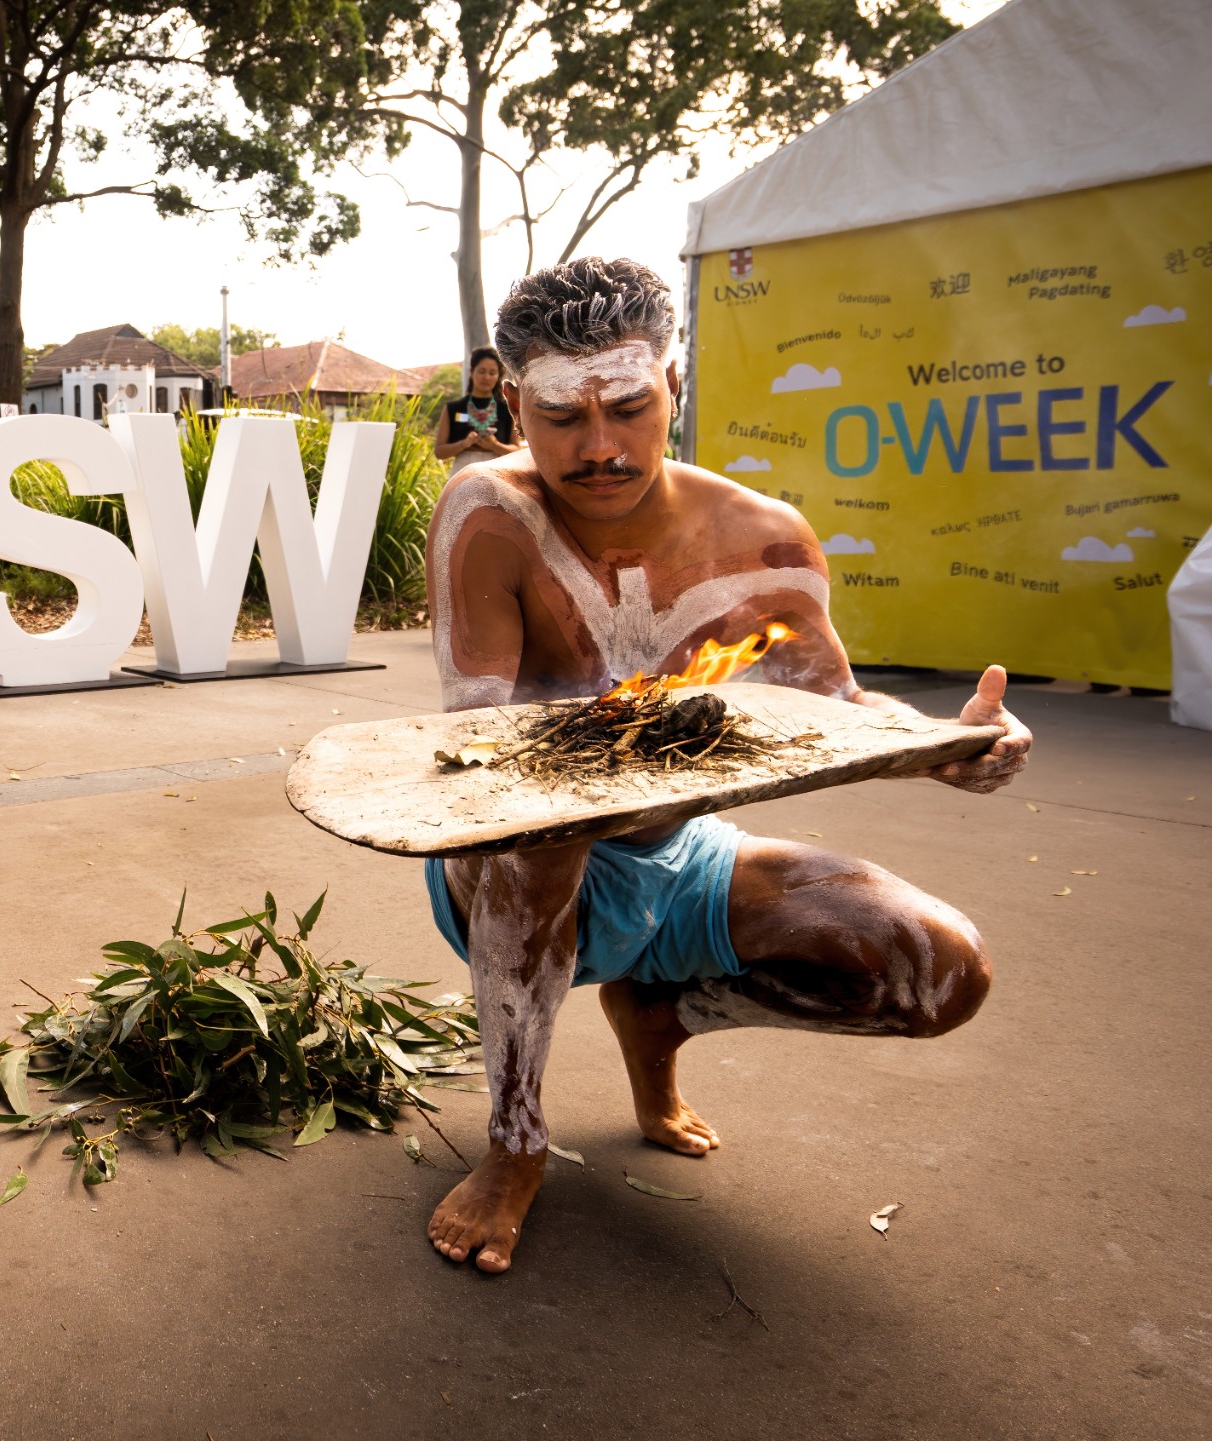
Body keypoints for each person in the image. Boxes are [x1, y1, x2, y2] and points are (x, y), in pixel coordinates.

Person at [421, 258, 1031, 1273]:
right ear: (518, 410)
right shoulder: (488, 512)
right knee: (542, 831)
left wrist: (948, 747)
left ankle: (659, 1015)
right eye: (562, 416)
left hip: (678, 856)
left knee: (941, 973)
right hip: (508, 867)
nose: (601, 446)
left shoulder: (765, 540)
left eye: (629, 407)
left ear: (674, 388)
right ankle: (515, 1142)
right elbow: (483, 751)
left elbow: (835, 711)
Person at [433, 347, 522, 475]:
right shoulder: (453, 408)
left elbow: (517, 450)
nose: (486, 377)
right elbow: (439, 452)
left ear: (498, 376)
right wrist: (464, 444)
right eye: (481, 371)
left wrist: (494, 445)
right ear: (472, 371)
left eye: (492, 373)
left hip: (497, 472)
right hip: (462, 472)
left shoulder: (507, 408)